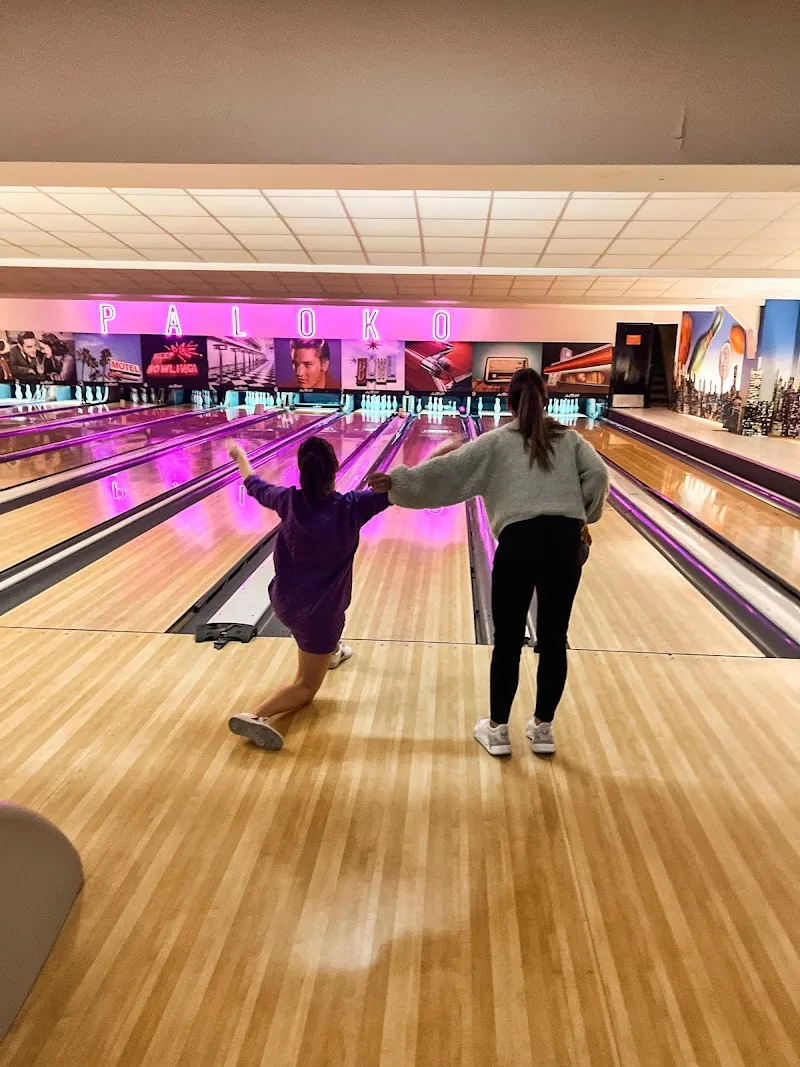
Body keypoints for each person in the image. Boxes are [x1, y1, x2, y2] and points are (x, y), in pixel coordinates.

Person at [368, 368, 608, 758]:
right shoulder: (571, 440)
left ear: (509, 403)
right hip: (565, 544)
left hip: (519, 543)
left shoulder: (494, 443)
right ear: (546, 400)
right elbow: (597, 476)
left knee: (508, 641)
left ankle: (498, 731)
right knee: (553, 638)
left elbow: (447, 471)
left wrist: (398, 483)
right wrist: (583, 516)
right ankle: (543, 730)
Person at [226, 435, 390, 750]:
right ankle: (255, 716)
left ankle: (332, 651)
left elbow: (253, 483)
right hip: (317, 617)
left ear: (301, 471)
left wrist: (239, 455)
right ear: (336, 469)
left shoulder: (287, 500)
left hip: (285, 603)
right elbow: (406, 489)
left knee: (321, 636)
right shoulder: (353, 507)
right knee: (305, 688)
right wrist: (439, 457)